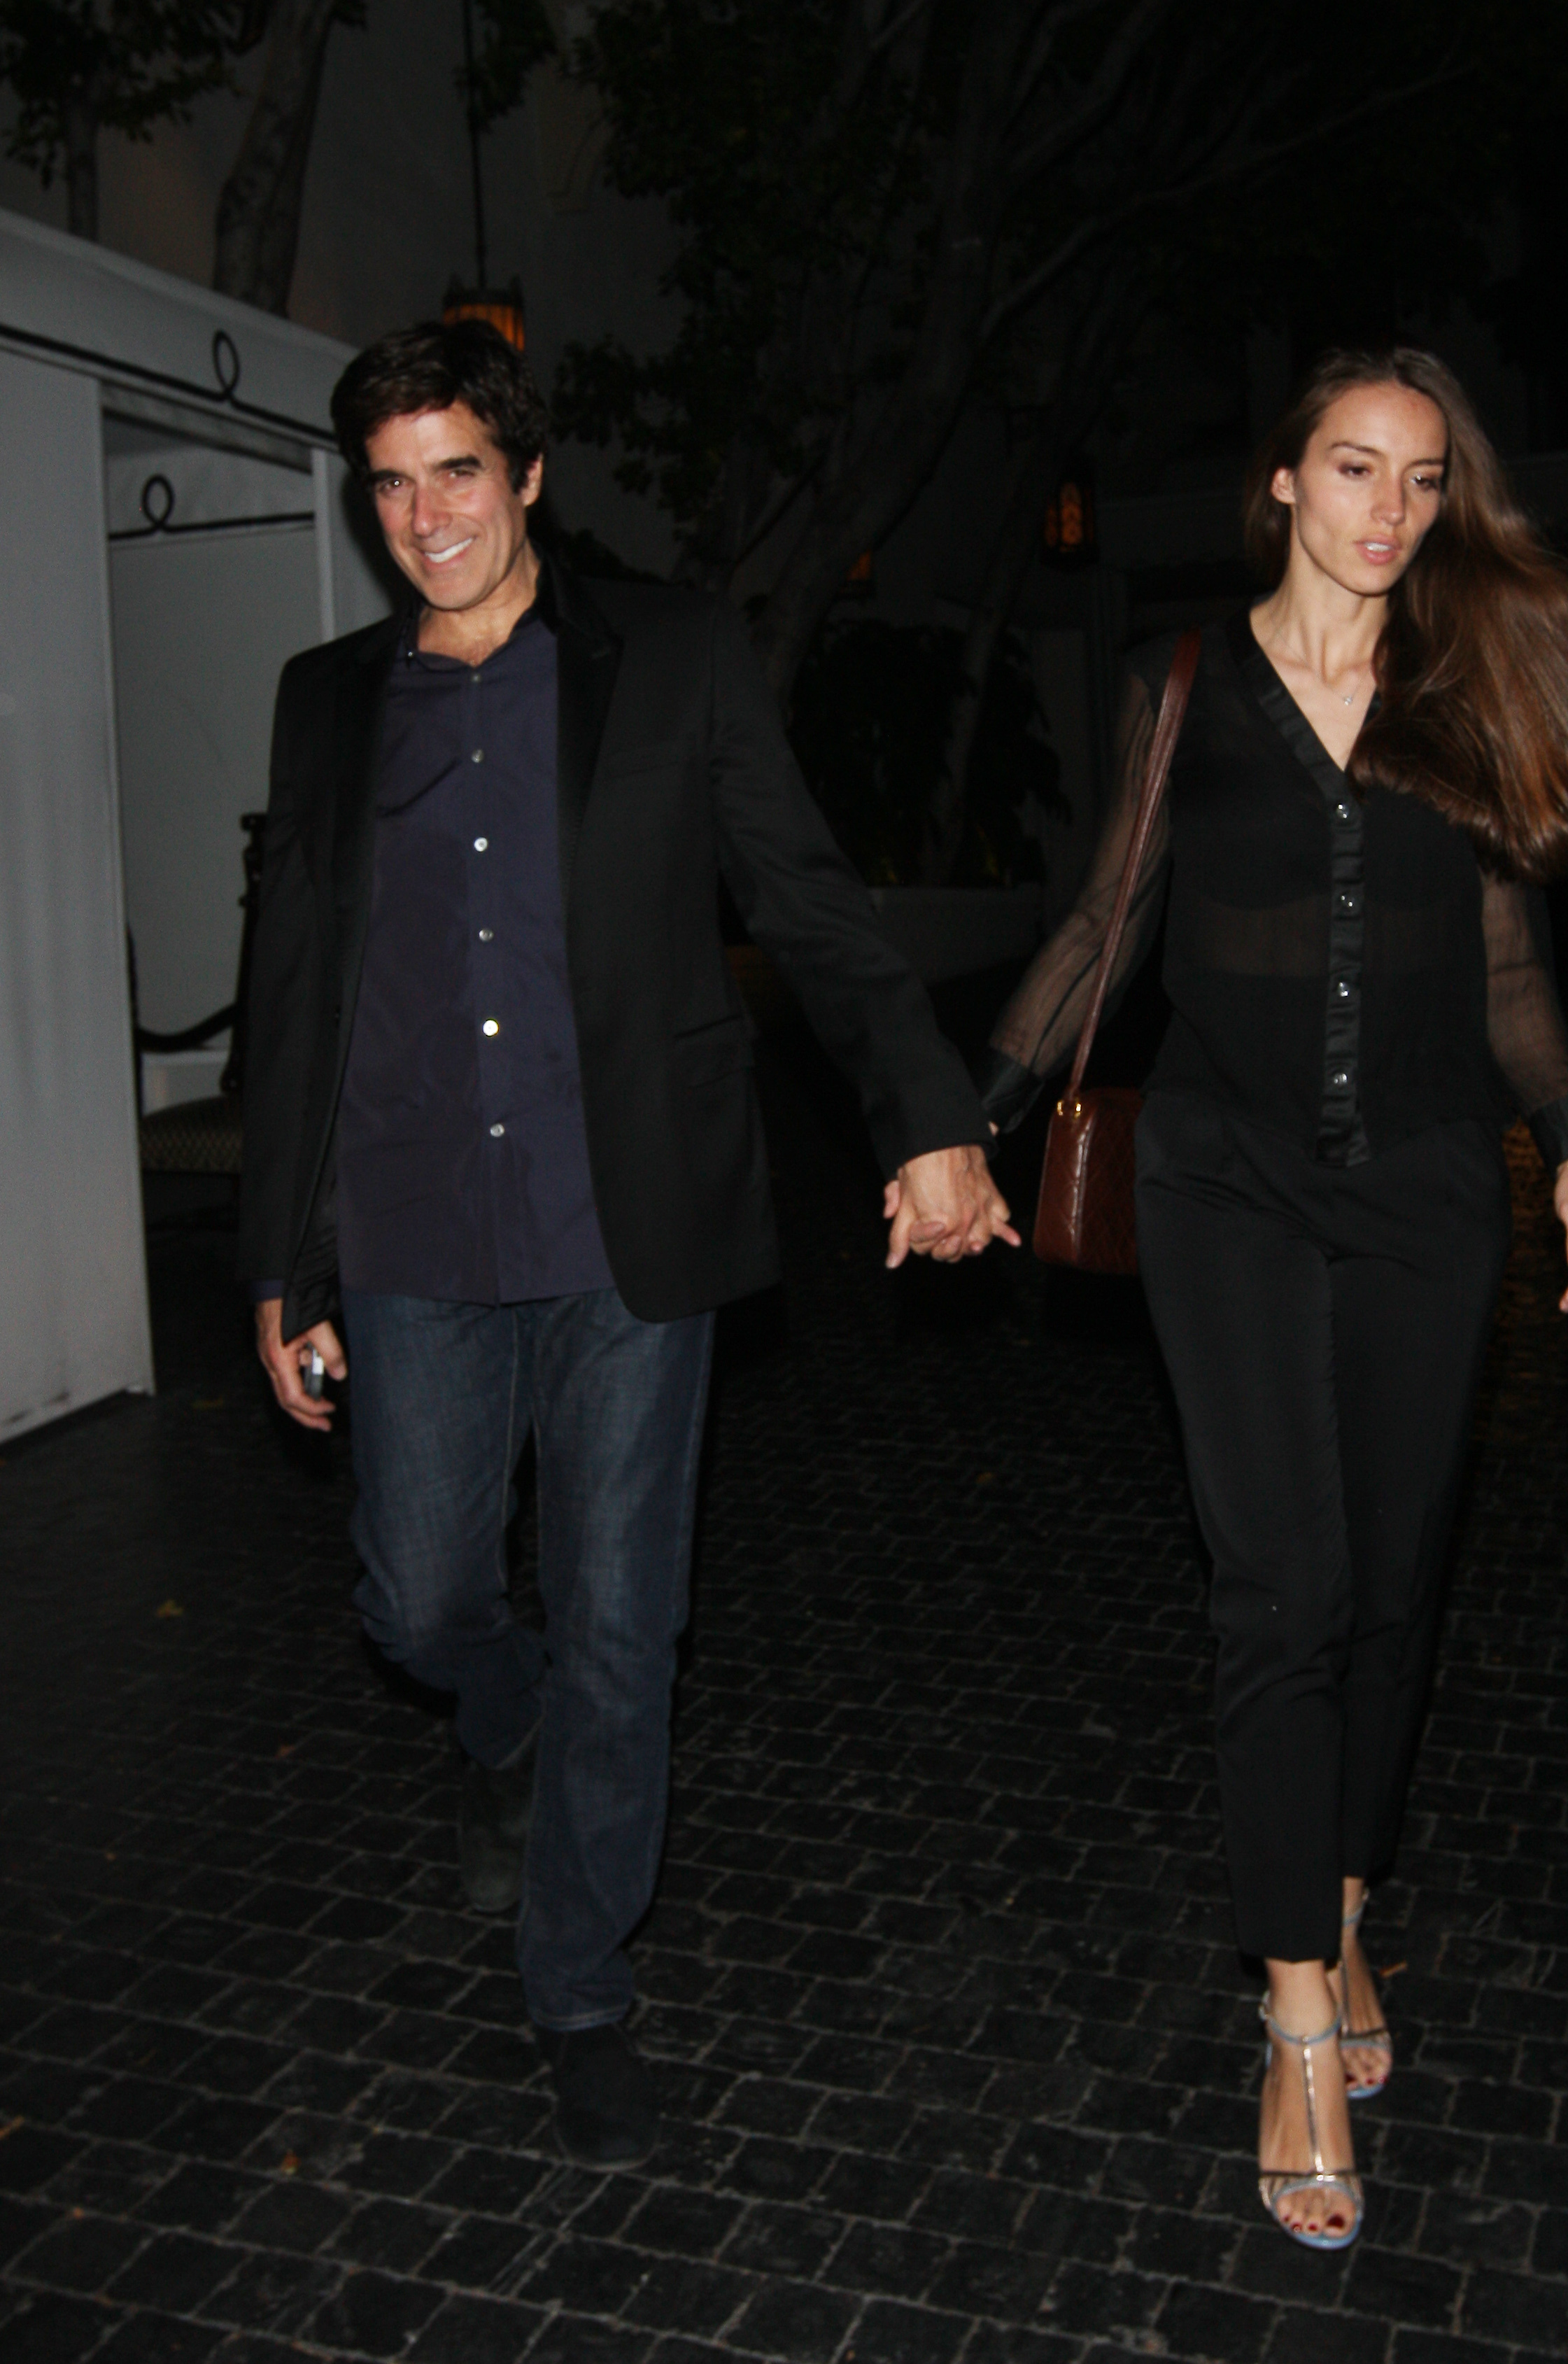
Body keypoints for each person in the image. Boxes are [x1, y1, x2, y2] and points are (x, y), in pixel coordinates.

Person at [239, 320, 1017, 2169]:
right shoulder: (327, 698)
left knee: (621, 1621)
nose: (425, 515)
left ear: (526, 475)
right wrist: (279, 1261)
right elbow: (293, 982)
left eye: (457, 471)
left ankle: (579, 1980)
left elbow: (804, 898)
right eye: (389, 484)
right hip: (409, 1222)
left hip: (627, 1225)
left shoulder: (670, 654)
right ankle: (491, 1711)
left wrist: (925, 1111)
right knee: (420, 1600)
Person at [976, 349, 1568, 2249]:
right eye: (1354, 469)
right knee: (1279, 1589)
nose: (1388, 511)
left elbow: (1507, 964)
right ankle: (1288, 2014)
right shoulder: (1179, 685)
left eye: (1421, 481)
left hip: (1427, 1191)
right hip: (1225, 1188)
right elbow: (1106, 923)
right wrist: (964, 1120)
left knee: (1390, 1582)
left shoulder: (1467, 688)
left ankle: (1343, 1907)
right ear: (1281, 480)